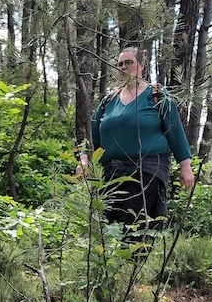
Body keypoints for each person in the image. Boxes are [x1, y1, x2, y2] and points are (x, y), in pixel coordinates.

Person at [77, 45, 195, 235]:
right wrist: (84, 159)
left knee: (137, 229)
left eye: (129, 63)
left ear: (141, 65)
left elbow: (175, 131)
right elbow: (92, 136)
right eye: (120, 64)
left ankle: (137, 263)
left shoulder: (157, 95)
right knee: (109, 229)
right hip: (111, 175)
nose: (123, 67)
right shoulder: (109, 100)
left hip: (147, 171)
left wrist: (185, 166)